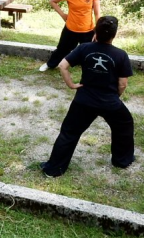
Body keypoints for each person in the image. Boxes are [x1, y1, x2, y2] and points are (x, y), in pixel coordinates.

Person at [40, 16, 135, 177]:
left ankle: (53, 169)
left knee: (69, 132)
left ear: (95, 32)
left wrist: (71, 84)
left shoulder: (84, 48)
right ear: (114, 35)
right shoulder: (120, 54)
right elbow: (122, 84)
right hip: (110, 102)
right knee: (124, 125)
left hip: (84, 100)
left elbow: (63, 66)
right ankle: (122, 160)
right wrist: (114, 96)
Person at [39, 0, 102, 72]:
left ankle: (91, 70)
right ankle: (50, 64)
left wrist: (97, 30)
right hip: (71, 28)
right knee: (62, 49)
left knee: (90, 52)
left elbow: (97, 13)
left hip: (88, 29)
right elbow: (52, 1)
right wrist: (63, 15)